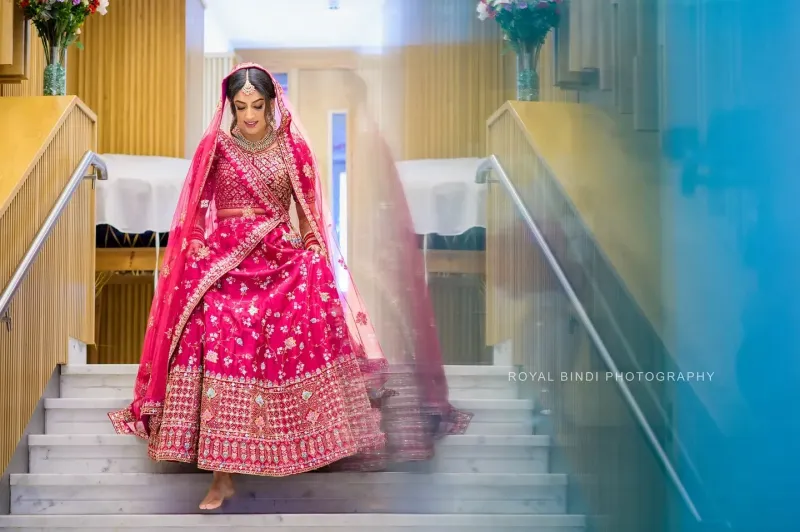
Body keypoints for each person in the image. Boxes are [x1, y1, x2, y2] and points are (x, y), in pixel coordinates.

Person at [108, 63, 470, 510]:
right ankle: (222, 473)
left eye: (257, 106)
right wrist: (199, 244)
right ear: (229, 107)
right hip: (226, 259)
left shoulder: (291, 146)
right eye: (240, 107)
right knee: (214, 316)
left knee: (309, 292)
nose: (249, 116)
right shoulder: (215, 147)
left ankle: (307, 441)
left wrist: (314, 246)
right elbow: (196, 210)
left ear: (272, 103)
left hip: (279, 255)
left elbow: (307, 211)